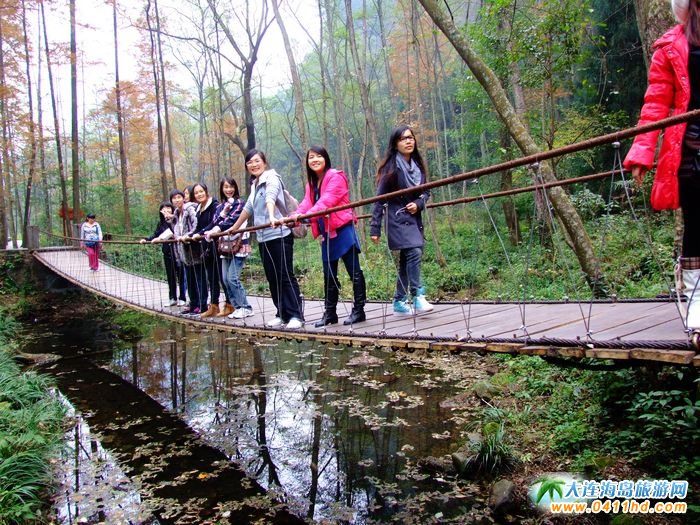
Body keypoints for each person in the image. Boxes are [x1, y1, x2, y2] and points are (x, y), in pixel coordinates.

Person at [623, 0, 700, 338]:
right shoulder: (671, 46)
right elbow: (655, 103)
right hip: (690, 151)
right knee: (697, 225)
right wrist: (642, 153)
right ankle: (697, 302)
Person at [286, 145, 366, 327]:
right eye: (311, 157)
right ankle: (330, 313)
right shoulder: (312, 184)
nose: (315, 160)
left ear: (326, 158)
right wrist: (293, 217)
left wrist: (304, 217)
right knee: (329, 275)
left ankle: (359, 310)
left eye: (318, 156)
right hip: (326, 234)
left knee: (354, 271)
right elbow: (306, 204)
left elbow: (326, 202)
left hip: (343, 229)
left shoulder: (336, 177)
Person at [226, 149, 304, 329]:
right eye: (250, 162)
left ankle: (295, 315)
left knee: (285, 275)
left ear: (264, 162)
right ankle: (281, 313)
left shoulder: (272, 178)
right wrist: (234, 228)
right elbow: (248, 208)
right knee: (272, 277)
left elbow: (271, 197)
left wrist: (271, 216)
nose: (253, 165)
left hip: (280, 234)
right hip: (263, 238)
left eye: (256, 161)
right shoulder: (255, 185)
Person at [370, 126, 434, 316]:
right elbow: (379, 199)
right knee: (414, 251)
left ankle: (399, 301)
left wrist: (419, 204)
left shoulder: (418, 166)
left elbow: (426, 192)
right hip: (397, 219)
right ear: (395, 144)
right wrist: (375, 228)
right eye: (403, 139)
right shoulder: (390, 169)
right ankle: (417, 294)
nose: (408, 141)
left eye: (411, 138)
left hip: (413, 218)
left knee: (407, 259)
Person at [201, 177, 254, 320]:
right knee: (225, 278)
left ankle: (246, 307)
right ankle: (237, 307)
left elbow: (232, 221)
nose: (229, 190)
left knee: (232, 278)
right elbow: (215, 222)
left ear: (235, 188)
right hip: (224, 246)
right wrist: (206, 231)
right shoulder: (220, 207)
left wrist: (216, 229)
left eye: (231, 187)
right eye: (226, 187)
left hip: (239, 245)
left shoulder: (240, 204)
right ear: (221, 189)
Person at [140, 202, 186, 307]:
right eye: (164, 209)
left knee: (181, 276)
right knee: (170, 276)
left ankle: (182, 298)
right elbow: (156, 234)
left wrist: (160, 237)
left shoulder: (176, 220)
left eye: (168, 208)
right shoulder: (161, 223)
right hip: (168, 253)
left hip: (178, 252)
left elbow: (172, 232)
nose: (166, 211)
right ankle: (172, 298)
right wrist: (146, 240)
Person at [173, 186, 207, 316]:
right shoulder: (177, 213)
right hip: (184, 251)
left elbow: (196, 225)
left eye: (179, 197)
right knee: (190, 279)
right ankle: (193, 305)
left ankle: (202, 305)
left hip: (195, 249)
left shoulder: (190, 209)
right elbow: (176, 229)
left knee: (199, 278)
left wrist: (188, 236)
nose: (177, 200)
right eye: (174, 198)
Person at [188, 183, 220, 318]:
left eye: (201, 191)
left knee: (220, 277)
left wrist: (199, 233)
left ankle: (230, 305)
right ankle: (214, 306)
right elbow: (198, 227)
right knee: (212, 277)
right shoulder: (198, 209)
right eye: (196, 193)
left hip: (216, 246)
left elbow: (214, 223)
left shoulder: (214, 206)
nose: (199, 194)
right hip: (206, 248)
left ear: (206, 191)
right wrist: (189, 236)